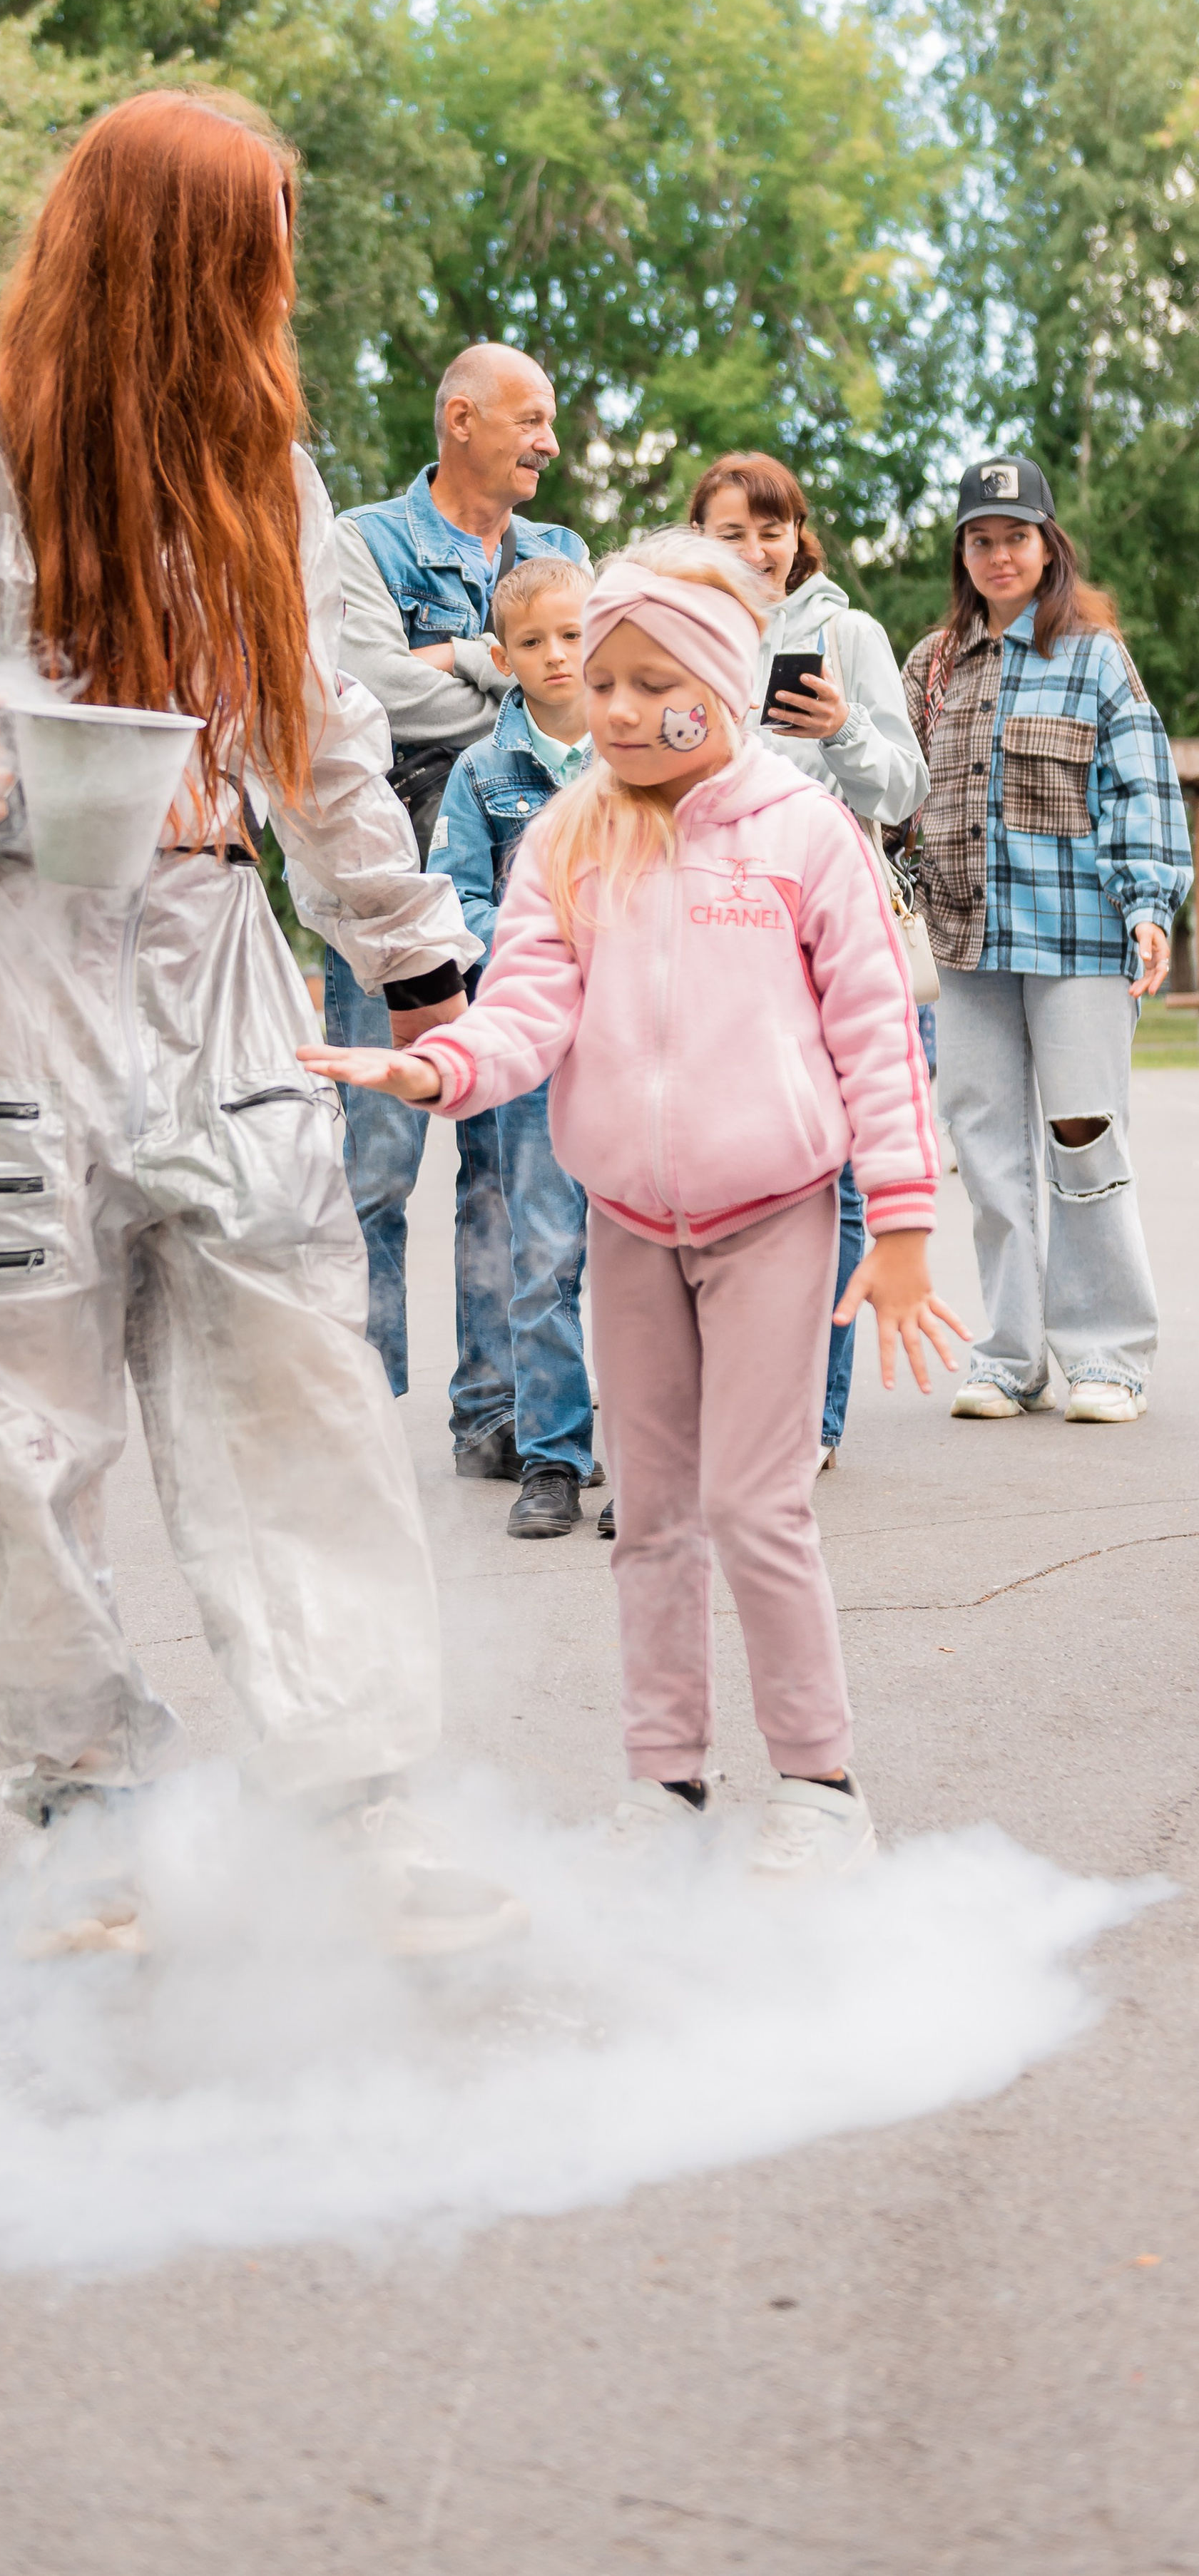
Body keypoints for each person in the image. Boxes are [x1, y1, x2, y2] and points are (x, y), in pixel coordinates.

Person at [0, 88, 520, 1955]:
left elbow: (326, 745)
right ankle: (90, 1812)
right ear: (172, 255)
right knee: (5, 1428)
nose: (279, 277)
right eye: (257, 241)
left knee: (304, 1395)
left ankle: (363, 1808)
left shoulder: (258, 479)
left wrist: (422, 961)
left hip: (219, 969)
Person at [302, 533, 966, 1882]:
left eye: (648, 680)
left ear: (718, 686)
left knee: (755, 1504)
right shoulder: (568, 833)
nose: (613, 708)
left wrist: (899, 1227)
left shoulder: (804, 833)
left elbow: (875, 1033)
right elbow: (529, 1009)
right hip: (629, 1228)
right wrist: (439, 1064)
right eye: (599, 681)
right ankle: (665, 1784)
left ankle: (822, 1788)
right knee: (651, 1513)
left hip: (776, 1213)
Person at [325, 347, 588, 1479]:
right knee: (379, 1165)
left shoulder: (564, 553)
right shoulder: (362, 542)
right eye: (531, 419)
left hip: (527, 892)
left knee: (500, 1165)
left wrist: (457, 660)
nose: (549, 442)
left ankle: (495, 1410)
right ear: (461, 418)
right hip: (388, 891)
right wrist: (507, 666)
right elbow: (363, 691)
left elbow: (590, 683)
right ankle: (365, 1416)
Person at [902, 456, 1192, 1424]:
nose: (997, 554)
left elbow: (1142, 789)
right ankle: (1010, 1356)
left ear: (1048, 544)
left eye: (1015, 536)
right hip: (966, 941)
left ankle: (1108, 1353)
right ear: (963, 551)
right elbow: (902, 805)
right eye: (980, 539)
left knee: (1083, 1133)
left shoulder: (1095, 654)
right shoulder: (931, 665)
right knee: (987, 1151)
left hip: (1076, 934)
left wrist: (1150, 903)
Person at [690, 450, 929, 1474]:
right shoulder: (679, 630)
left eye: (772, 527)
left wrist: (839, 732)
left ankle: (810, 1419)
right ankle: (720, 1396)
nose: (755, 548)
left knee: (830, 1179)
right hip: (708, 928)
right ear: (698, 537)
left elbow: (901, 785)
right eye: (732, 530)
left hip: (826, 924)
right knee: (718, 1165)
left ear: (799, 534)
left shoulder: (848, 632)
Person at [429, 555, 600, 1540]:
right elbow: (458, 896)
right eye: (533, 641)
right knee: (542, 1256)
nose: (557, 655)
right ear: (503, 657)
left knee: (641, 1260)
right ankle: (552, 1458)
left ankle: (656, 1458)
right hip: (537, 1051)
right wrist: (539, 949)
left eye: (574, 634)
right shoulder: (483, 773)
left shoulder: (636, 760)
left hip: (637, 1049)